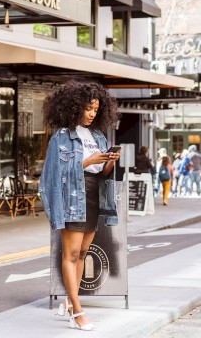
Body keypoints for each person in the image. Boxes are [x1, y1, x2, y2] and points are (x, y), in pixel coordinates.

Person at [38, 81, 120, 331]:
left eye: (95, 108)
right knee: (70, 254)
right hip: (72, 197)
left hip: (94, 194)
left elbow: (102, 174)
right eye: (87, 108)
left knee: (83, 254)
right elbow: (53, 175)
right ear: (74, 108)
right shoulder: (61, 137)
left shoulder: (97, 136)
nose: (92, 113)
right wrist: (86, 161)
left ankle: (69, 302)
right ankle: (77, 311)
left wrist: (109, 161)